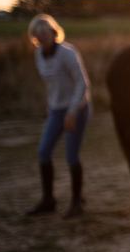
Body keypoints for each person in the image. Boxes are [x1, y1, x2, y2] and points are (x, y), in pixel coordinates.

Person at [25, 14, 91, 218]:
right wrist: (51, 108)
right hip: (56, 109)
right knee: (44, 152)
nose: (43, 35)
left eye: (47, 31)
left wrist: (72, 112)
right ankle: (48, 200)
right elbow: (52, 85)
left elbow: (82, 83)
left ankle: (76, 203)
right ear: (34, 36)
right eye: (38, 32)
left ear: (54, 32)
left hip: (77, 108)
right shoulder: (38, 55)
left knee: (71, 155)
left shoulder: (67, 53)